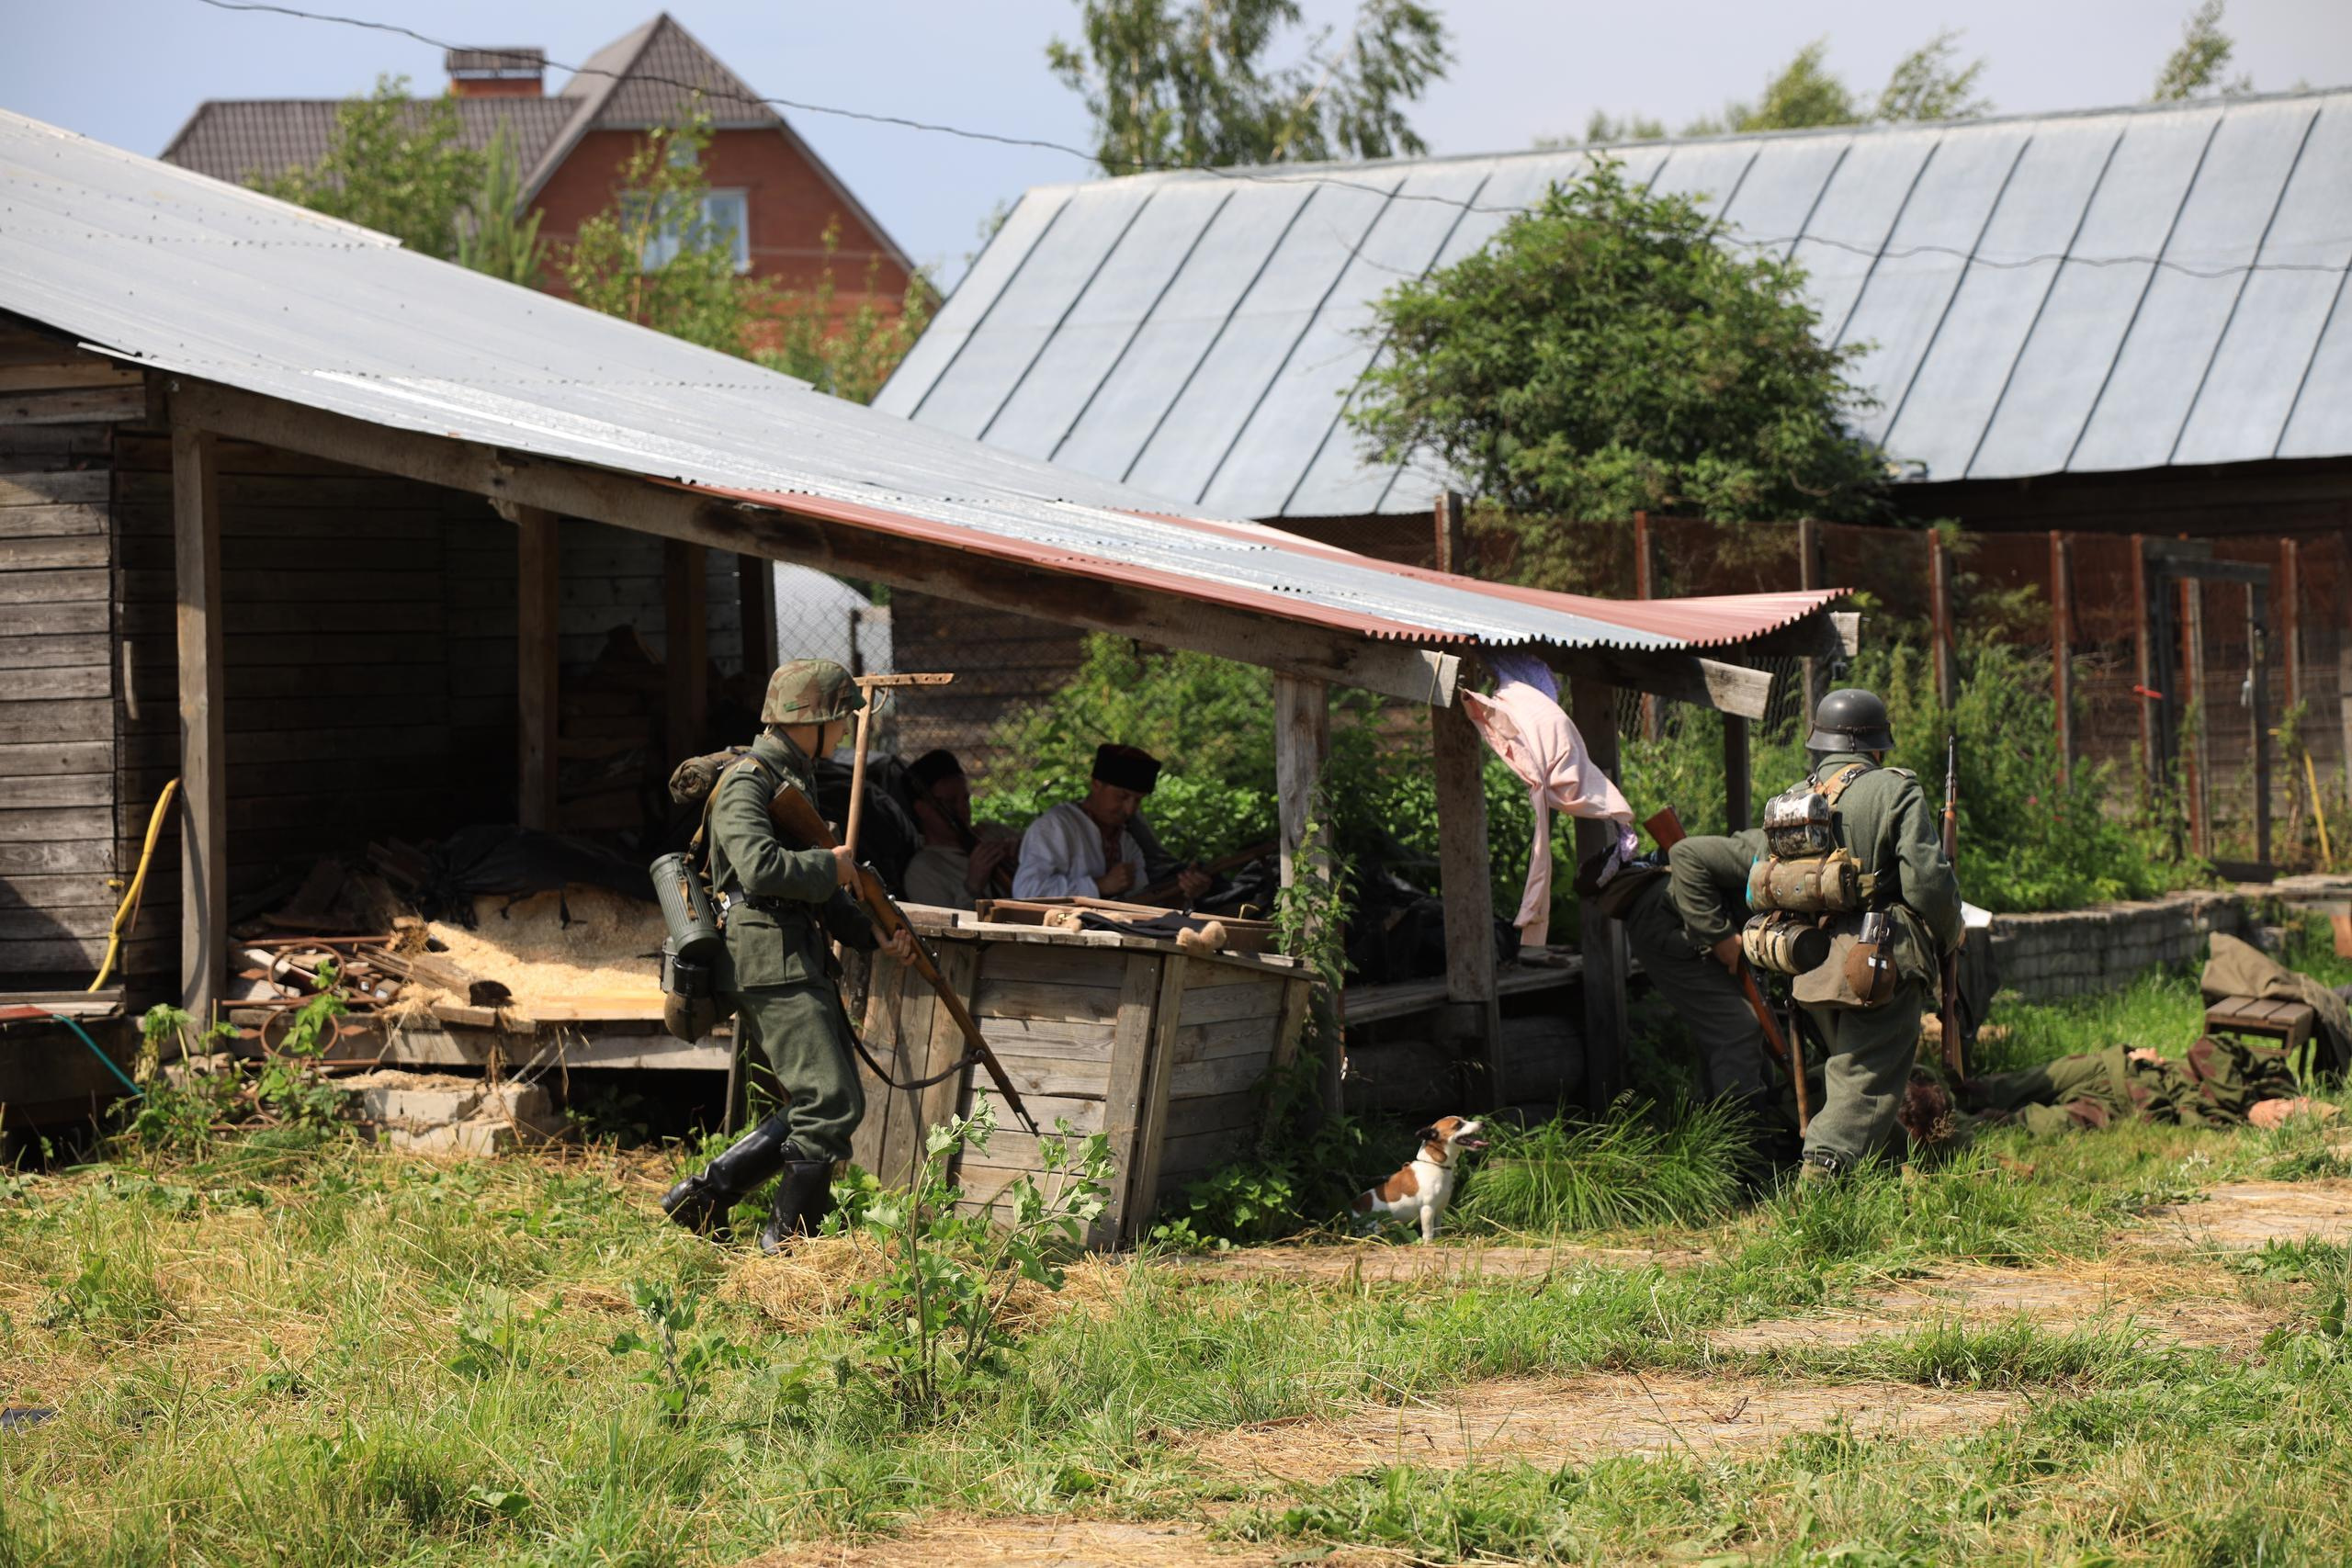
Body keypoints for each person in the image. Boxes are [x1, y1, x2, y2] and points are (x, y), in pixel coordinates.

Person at [661, 659, 913, 1252]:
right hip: (766, 957)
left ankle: (705, 1196)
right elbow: (759, 870)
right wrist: (833, 865)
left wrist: (871, 932)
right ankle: (787, 1246)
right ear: (816, 718)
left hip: (790, 950)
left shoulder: (791, 777)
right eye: (843, 717)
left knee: (827, 1099)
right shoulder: (750, 781)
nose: (850, 728)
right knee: (829, 1102)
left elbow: (817, 889)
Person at [1740, 688, 1963, 1183]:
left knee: (1861, 1080)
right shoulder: (1894, 789)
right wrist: (1951, 934)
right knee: (1862, 1085)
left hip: (1809, 967)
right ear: (1877, 746)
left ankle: (1903, 1183)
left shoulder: (1791, 799)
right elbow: (1928, 883)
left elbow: (1760, 878)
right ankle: (1815, 1195)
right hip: (1878, 963)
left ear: (1821, 744)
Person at [1604, 845, 1800, 1173]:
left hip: (1684, 918)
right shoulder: (1770, 849)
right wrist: (1720, 936)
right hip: (1665, 919)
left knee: (1753, 1033)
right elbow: (1686, 856)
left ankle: (1755, 1146)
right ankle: (1743, 1164)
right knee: (1738, 1030)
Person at [1012, 743, 1210, 904]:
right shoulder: (1056, 827)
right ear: (1096, 784)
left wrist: (1184, 892)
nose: (1130, 809)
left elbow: (1140, 903)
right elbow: (1026, 892)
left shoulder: (1126, 843)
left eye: (1138, 800)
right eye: (1122, 796)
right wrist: (1099, 886)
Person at [900, 748, 1016, 911]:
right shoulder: (922, 871)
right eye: (950, 802)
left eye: (965, 799)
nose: (963, 809)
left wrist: (1023, 851)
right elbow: (943, 930)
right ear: (922, 809)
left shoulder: (994, 833)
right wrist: (973, 886)